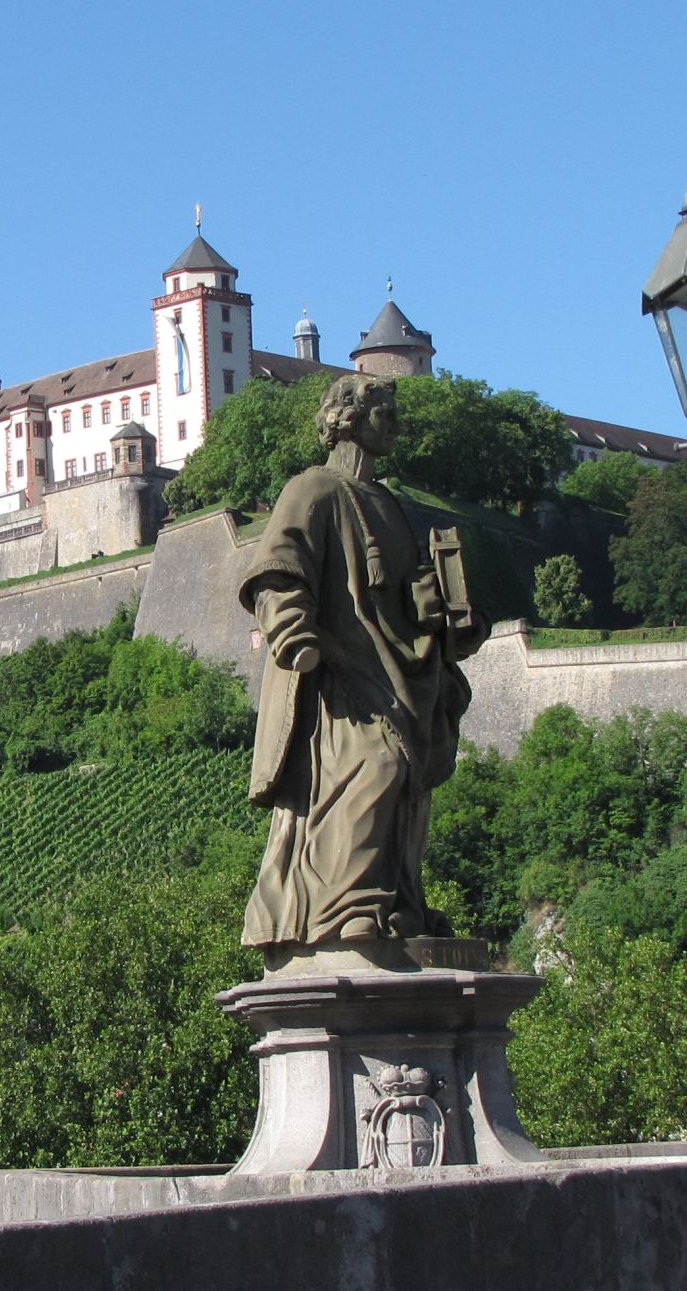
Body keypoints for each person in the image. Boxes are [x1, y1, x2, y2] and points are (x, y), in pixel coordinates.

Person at [237, 374, 483, 951]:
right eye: (384, 413)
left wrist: (443, 613)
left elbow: (409, 594)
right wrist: (292, 628)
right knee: (377, 769)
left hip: (397, 667)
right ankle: (344, 910)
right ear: (348, 418)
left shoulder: (389, 504)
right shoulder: (313, 490)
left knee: (406, 787)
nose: (394, 423)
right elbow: (277, 569)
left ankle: (396, 904)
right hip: (341, 670)